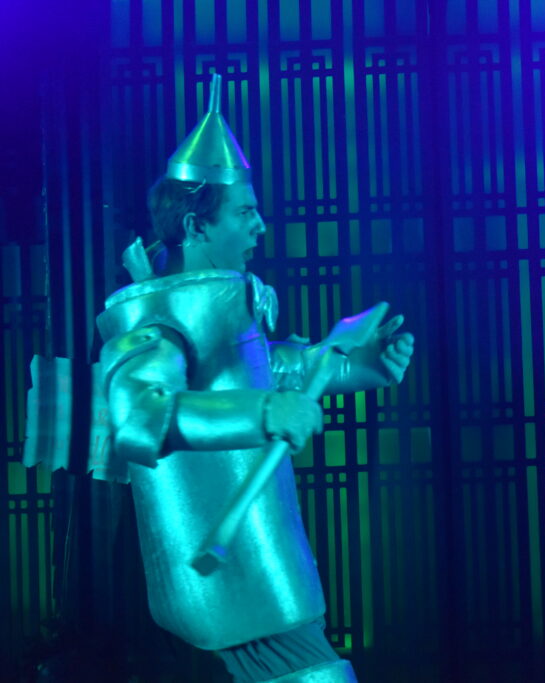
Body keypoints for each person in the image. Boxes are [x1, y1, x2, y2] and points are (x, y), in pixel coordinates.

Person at [94, 73, 414, 682]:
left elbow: (273, 368)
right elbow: (138, 417)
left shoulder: (219, 308)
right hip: (230, 592)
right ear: (197, 227)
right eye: (245, 211)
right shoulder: (153, 322)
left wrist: (357, 365)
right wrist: (265, 413)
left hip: (261, 573)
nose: (260, 225)